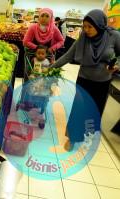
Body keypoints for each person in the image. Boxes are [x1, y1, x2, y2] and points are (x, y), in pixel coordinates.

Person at [51, 9, 120, 150]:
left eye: (90, 27)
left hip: (103, 82)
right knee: (78, 110)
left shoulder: (113, 36)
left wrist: (117, 65)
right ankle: (73, 138)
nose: (86, 30)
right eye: (84, 26)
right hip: (84, 80)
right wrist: (51, 67)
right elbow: (68, 56)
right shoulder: (83, 37)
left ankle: (88, 136)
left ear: (100, 25)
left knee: (94, 111)